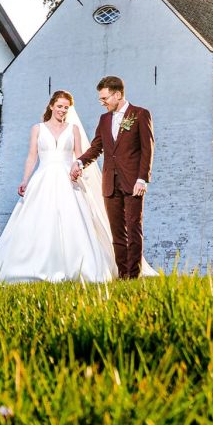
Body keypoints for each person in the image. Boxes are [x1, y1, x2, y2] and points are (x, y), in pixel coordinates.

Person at [0, 91, 119, 284]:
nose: (62, 110)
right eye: (59, 106)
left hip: (67, 180)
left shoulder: (73, 130)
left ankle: (78, 266)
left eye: (66, 107)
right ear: (51, 106)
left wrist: (78, 168)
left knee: (72, 220)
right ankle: (30, 266)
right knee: (40, 219)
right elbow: (32, 156)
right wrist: (25, 180)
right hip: (43, 178)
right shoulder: (37, 129)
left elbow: (79, 156)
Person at [71, 75, 155, 279]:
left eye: (105, 98)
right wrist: (81, 162)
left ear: (118, 94)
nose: (102, 102)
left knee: (133, 228)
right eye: (101, 99)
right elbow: (97, 147)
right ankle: (123, 273)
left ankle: (134, 275)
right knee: (117, 232)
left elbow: (147, 149)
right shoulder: (104, 119)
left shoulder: (140, 114)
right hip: (110, 182)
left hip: (133, 182)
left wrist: (142, 179)